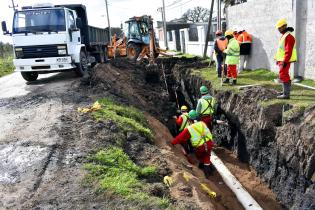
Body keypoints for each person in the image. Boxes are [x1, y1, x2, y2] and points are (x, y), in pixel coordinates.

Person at [171, 110, 215, 178]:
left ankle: (204, 173)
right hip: (209, 143)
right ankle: (209, 170)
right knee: (207, 156)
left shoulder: (189, 129)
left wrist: (172, 142)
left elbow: (180, 138)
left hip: (200, 147)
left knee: (200, 157)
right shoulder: (202, 123)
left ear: (189, 119)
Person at [274, 19, 297, 99]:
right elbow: (281, 49)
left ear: (284, 26)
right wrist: (277, 59)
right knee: (284, 75)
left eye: (280, 28)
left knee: (283, 75)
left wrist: (284, 61)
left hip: (285, 60)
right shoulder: (284, 36)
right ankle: (285, 92)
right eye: (278, 28)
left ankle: (286, 94)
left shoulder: (288, 37)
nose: (278, 29)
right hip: (282, 59)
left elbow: (288, 51)